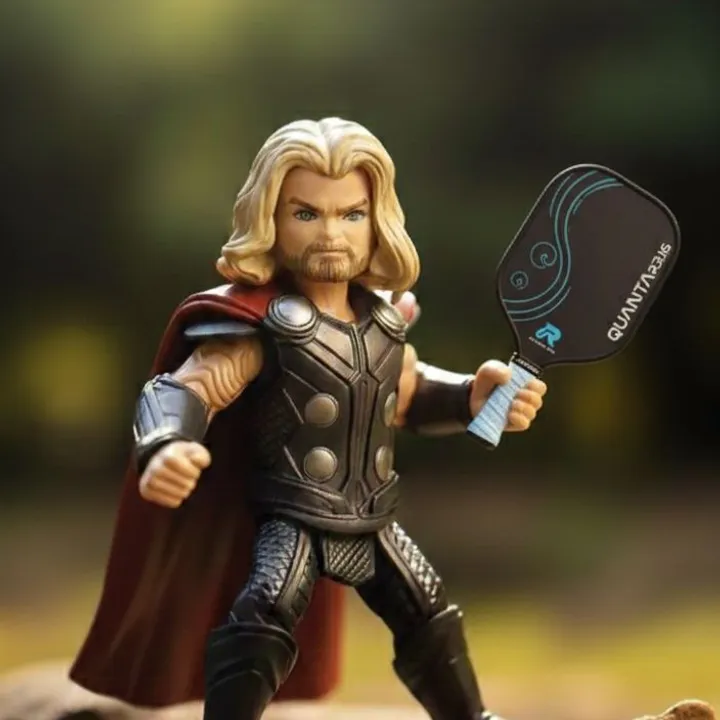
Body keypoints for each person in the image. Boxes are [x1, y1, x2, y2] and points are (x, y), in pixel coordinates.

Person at [70, 117, 547, 720]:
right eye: (306, 213)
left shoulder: (384, 321)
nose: (330, 234)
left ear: (377, 219)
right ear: (269, 217)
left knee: (427, 611)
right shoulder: (258, 326)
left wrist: (476, 399)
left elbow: (406, 395)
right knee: (263, 616)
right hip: (292, 515)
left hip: (371, 514)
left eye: (351, 214)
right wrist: (165, 443)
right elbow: (187, 388)